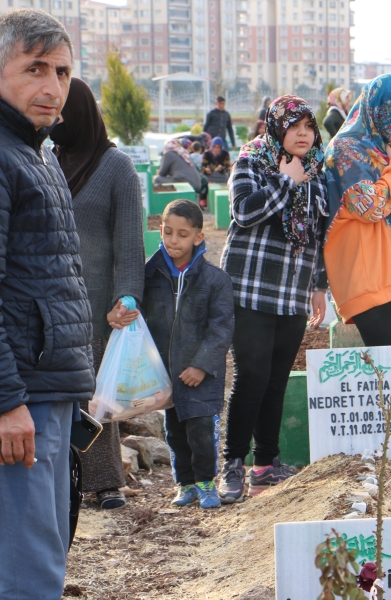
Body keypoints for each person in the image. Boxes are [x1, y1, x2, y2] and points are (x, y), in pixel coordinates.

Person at [0, 9, 95, 599]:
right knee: (28, 570)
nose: (52, 87)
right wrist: (8, 401)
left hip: (51, 389)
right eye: (35, 69)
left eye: (61, 72)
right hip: (22, 396)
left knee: (46, 553)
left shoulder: (40, 154)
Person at [218, 95, 328, 503]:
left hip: (293, 292)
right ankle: (232, 465)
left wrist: (319, 286)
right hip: (250, 289)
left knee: (276, 381)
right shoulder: (251, 159)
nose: (303, 134)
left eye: (309, 127)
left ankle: (265, 464)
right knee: (251, 377)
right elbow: (244, 212)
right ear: (277, 127)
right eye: (294, 126)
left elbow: (319, 232)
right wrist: (286, 183)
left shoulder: (316, 170)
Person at [49, 77, 145, 511]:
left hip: (99, 304)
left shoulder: (115, 167)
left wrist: (126, 297)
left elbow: (129, 242)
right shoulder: (46, 161)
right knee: (57, 393)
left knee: (97, 396)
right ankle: (61, 481)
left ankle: (105, 483)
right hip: (51, 301)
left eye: (65, 111)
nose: (57, 119)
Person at [143, 200, 234, 509]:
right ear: (160, 230)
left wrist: (201, 365)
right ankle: (184, 483)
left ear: (198, 237)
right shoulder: (149, 274)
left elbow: (221, 328)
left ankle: (207, 482)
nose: (173, 241)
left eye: (182, 234)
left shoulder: (215, 280)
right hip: (167, 371)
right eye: (168, 232)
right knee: (175, 430)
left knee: (201, 430)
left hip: (200, 375)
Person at [323, 74, 391, 346]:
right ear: (379, 108)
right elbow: (371, 207)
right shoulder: (346, 148)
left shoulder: (384, 150)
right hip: (367, 275)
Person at [155, 138, 210, 208]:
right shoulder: (183, 152)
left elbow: (162, 173)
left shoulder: (169, 153)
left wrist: (158, 171)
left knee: (157, 179)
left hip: (185, 182)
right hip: (197, 184)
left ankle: (162, 205)